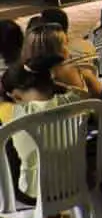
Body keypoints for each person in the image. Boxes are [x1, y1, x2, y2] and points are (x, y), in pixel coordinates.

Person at [0, 57, 84, 205]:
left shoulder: (11, 111)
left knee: (8, 144)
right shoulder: (74, 100)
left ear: (15, 94)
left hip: (33, 194)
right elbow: (78, 92)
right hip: (76, 182)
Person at [22, 24, 101, 97]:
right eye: (66, 43)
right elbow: (101, 95)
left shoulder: (23, 82)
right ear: (59, 50)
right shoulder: (78, 70)